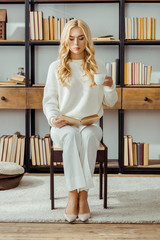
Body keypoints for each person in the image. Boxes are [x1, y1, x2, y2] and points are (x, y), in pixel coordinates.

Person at [43, 19, 118, 223]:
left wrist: (110, 86)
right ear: (65, 41)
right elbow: (49, 101)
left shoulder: (98, 66)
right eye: (71, 38)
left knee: (87, 136)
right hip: (63, 126)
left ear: (87, 40)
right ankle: (72, 194)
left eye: (81, 38)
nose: (76, 43)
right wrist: (53, 118)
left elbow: (110, 102)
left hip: (90, 124)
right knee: (70, 135)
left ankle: (82, 195)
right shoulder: (56, 67)